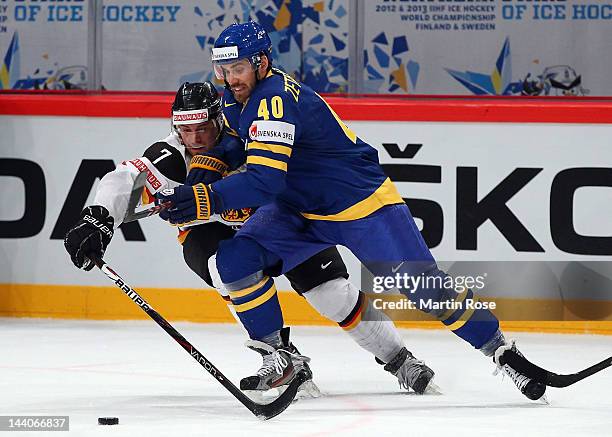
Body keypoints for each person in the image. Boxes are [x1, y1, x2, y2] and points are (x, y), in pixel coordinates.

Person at [156, 21, 547, 401]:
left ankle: (501, 351)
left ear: (261, 63)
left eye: (238, 68)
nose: (230, 78)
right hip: (301, 210)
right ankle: (279, 357)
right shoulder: (233, 97)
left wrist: (202, 198)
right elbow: (235, 146)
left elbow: (264, 181)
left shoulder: (273, 98)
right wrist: (199, 183)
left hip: (360, 204)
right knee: (235, 259)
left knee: (423, 287)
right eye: (223, 70)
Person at [63, 81, 427, 397]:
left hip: (278, 221)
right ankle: (280, 358)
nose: (195, 139)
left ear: (218, 118)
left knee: (332, 294)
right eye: (185, 131)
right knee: (225, 270)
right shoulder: (168, 155)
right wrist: (96, 218)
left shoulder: (247, 133)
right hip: (210, 232)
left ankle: (399, 358)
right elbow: (122, 179)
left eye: (202, 128)